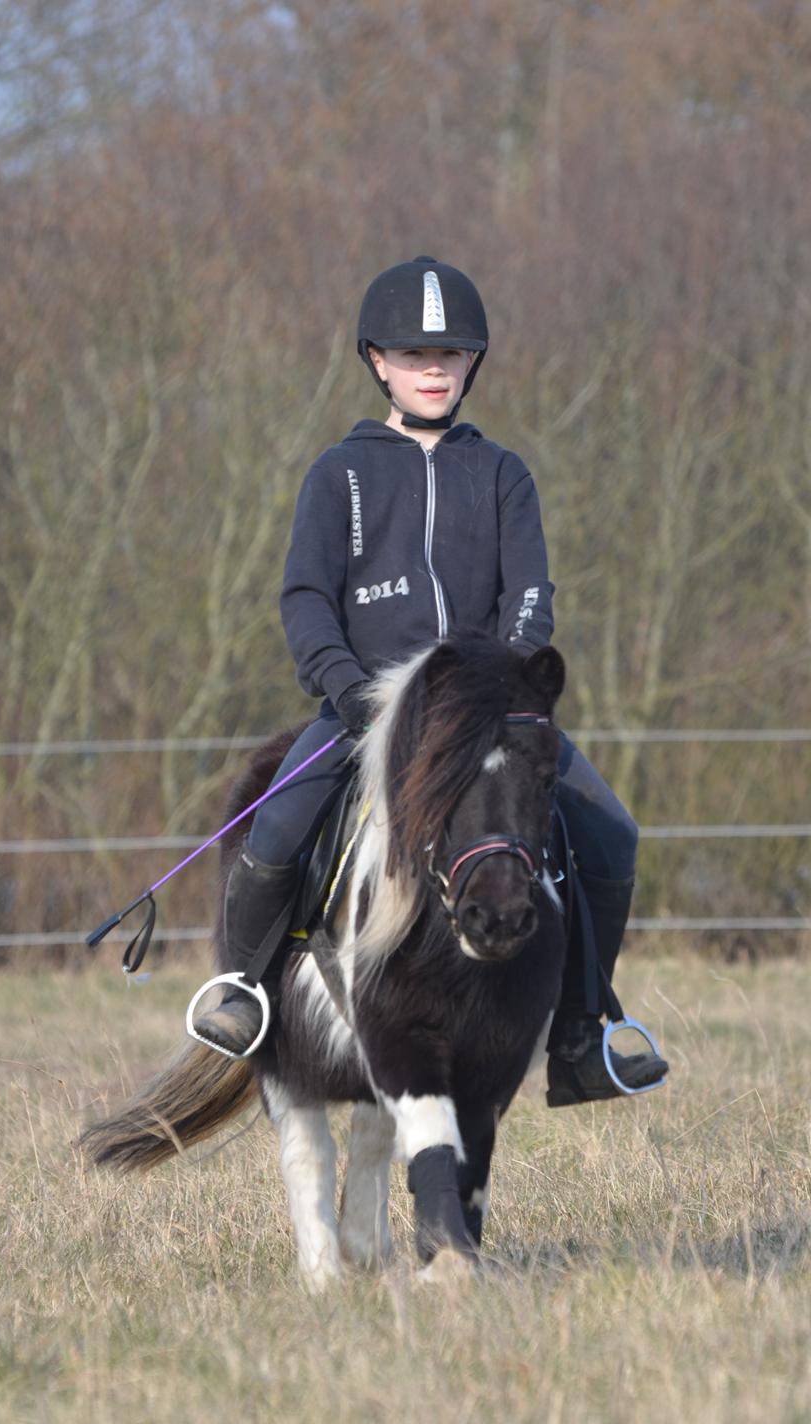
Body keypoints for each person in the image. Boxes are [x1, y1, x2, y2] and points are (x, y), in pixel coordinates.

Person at [198, 255, 667, 1105]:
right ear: (378, 362)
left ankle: (581, 1031)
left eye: (449, 354)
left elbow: (532, 595)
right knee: (276, 829)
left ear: (470, 364)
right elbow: (306, 599)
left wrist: (510, 686)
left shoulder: (503, 474)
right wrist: (346, 687)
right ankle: (246, 996)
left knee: (613, 836)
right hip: (364, 710)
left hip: (487, 719)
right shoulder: (338, 475)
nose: (433, 369)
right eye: (414, 354)